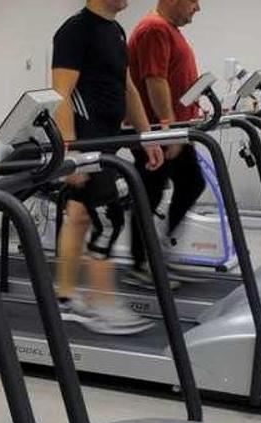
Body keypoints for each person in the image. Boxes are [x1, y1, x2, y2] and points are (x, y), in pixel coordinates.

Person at [51, 0, 164, 335]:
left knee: (79, 216)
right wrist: (71, 153)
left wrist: (147, 136)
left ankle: (66, 299)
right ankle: (102, 305)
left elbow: (126, 86)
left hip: (108, 141)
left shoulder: (114, 30)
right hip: (87, 145)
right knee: (107, 220)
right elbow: (61, 95)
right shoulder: (75, 31)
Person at [125, 0, 208, 287]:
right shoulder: (154, 28)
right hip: (155, 131)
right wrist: (168, 127)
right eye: (194, 1)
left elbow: (173, 77)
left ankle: (156, 250)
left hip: (173, 128)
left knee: (189, 183)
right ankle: (141, 263)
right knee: (150, 193)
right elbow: (154, 80)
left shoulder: (168, 29)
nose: (197, 8)